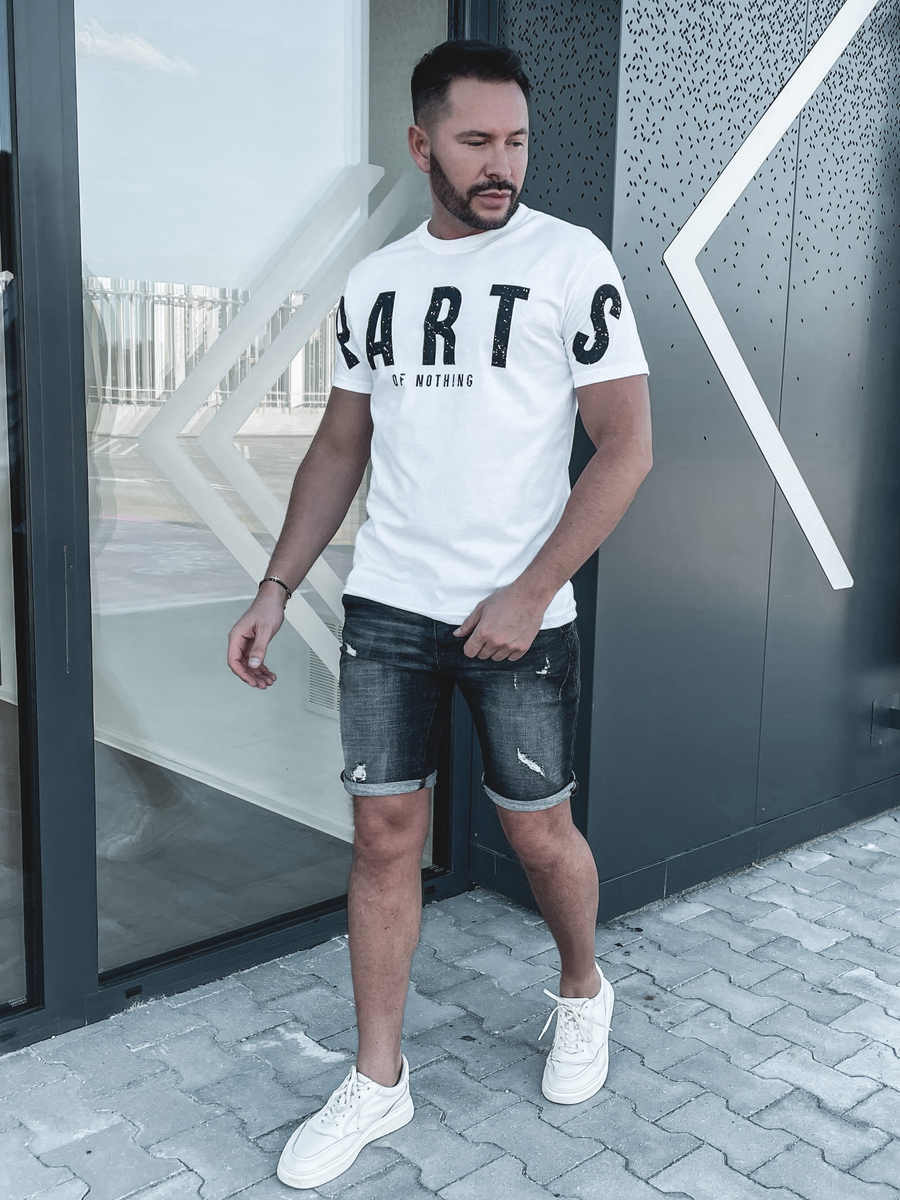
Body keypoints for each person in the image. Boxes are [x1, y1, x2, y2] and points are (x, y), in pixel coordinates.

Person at [227, 38, 652, 1192]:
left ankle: (582, 990)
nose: (501, 162)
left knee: (539, 835)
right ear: (422, 145)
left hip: (523, 618)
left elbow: (626, 447)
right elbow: (338, 448)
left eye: (516, 140)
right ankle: (379, 1080)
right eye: (476, 141)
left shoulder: (569, 261)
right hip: (391, 609)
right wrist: (274, 586)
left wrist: (530, 590)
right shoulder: (378, 283)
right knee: (383, 839)